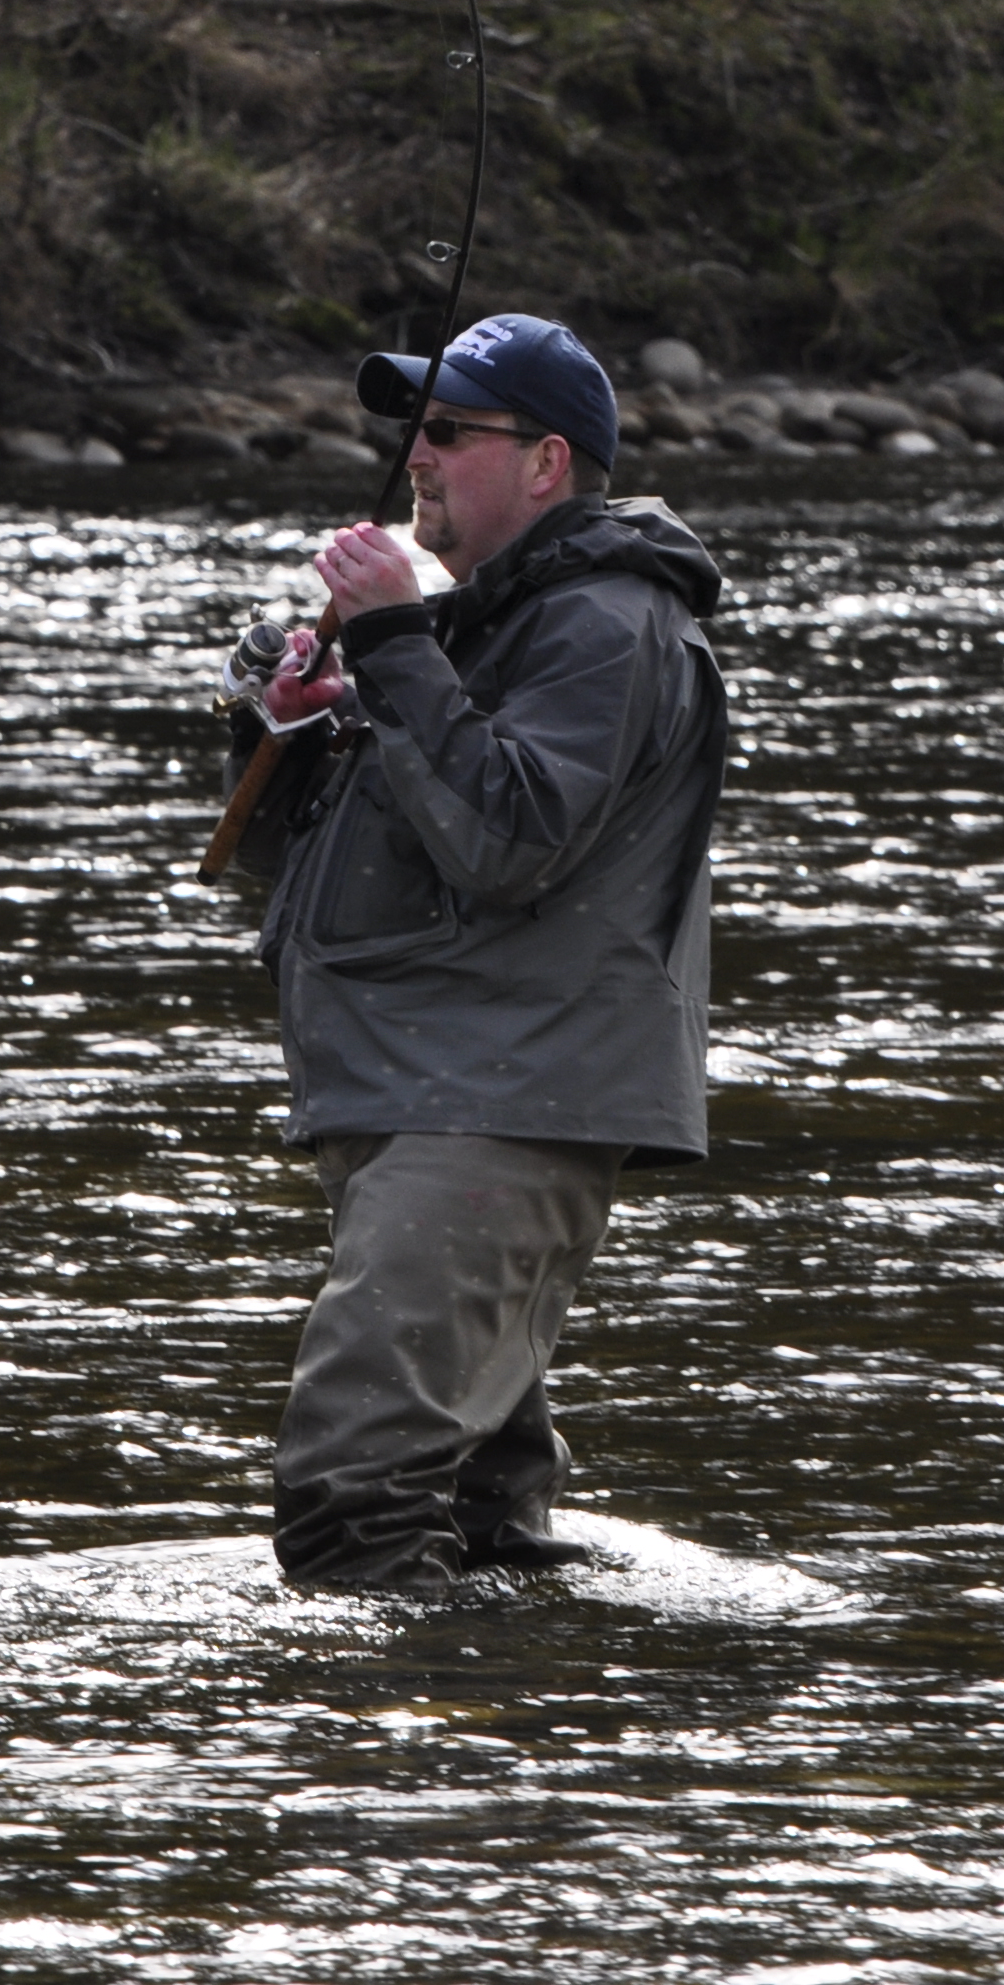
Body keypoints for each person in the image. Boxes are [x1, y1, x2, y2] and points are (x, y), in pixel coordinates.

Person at [216, 311, 728, 1589]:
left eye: (446, 431)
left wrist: (389, 642)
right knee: (480, 1514)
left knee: (351, 1497)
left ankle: (392, 1774)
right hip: (423, 1088)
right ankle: (516, 1749)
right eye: (409, 432)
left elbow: (508, 838)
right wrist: (285, 721)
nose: (415, 459)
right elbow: (306, 870)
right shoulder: (478, 628)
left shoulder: (607, 625)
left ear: (546, 463)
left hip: (496, 1102)